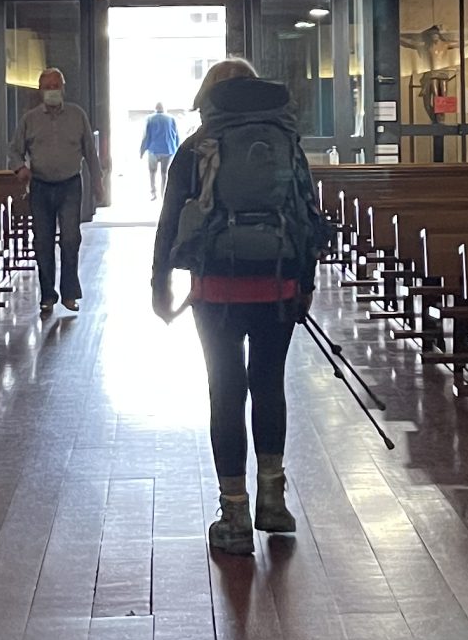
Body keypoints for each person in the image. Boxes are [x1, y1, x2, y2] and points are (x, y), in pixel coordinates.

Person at [150, 57, 333, 557]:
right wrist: (305, 283)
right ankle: (273, 501)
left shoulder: (197, 145)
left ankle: (234, 514)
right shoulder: (285, 141)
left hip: (217, 290)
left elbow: (170, 219)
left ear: (210, 94)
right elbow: (306, 215)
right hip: (277, 283)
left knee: (225, 391)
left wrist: (159, 283)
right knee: (269, 385)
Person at [13, 67, 102, 318]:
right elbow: (14, 151)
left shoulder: (77, 115)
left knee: (71, 239)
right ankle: (47, 295)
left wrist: (98, 182)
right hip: (40, 186)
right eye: (47, 86)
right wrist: (20, 168)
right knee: (42, 242)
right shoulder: (29, 119)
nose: (52, 90)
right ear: (40, 90)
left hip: (70, 184)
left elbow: (90, 153)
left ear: (63, 88)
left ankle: (70, 293)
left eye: (56, 85)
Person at [140, 101, 181, 199]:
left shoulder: (149, 119)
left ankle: (153, 193)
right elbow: (176, 136)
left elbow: (146, 136)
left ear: (155, 108)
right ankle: (164, 194)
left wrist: (142, 150)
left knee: (152, 172)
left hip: (153, 150)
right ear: (164, 109)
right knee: (164, 174)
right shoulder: (171, 119)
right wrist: (177, 149)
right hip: (168, 150)